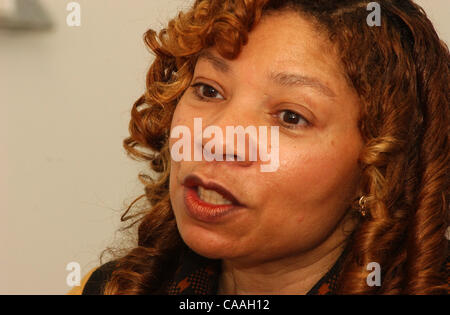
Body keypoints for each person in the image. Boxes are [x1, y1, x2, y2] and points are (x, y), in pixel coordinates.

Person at [68, 0, 449, 295]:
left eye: (291, 117)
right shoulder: (112, 287)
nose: (215, 139)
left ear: (379, 169)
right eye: (208, 90)